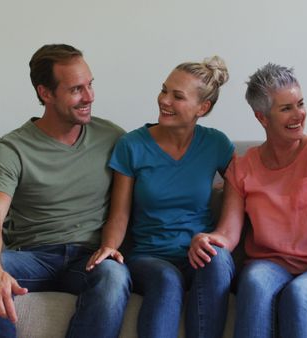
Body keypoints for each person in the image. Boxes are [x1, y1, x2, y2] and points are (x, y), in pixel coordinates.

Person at [189, 63, 307, 338]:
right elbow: (229, 232)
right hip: (268, 264)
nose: (298, 114)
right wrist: (207, 239)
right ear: (262, 118)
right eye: (286, 109)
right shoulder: (244, 166)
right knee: (253, 282)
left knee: (298, 296)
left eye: (300, 104)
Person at [0, 44, 131, 338]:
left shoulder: (113, 137)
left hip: (89, 259)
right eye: (76, 89)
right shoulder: (12, 148)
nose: (89, 96)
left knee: (115, 276)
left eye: (90, 85)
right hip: (32, 256)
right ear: (46, 93)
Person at [85, 56, 235, 338]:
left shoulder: (216, 144)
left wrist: (300, 148)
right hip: (149, 258)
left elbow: (247, 189)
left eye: (177, 96)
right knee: (167, 279)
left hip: (197, 253)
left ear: (203, 107)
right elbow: (119, 213)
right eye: (164, 90)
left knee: (219, 260)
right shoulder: (132, 145)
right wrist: (109, 247)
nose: (164, 100)